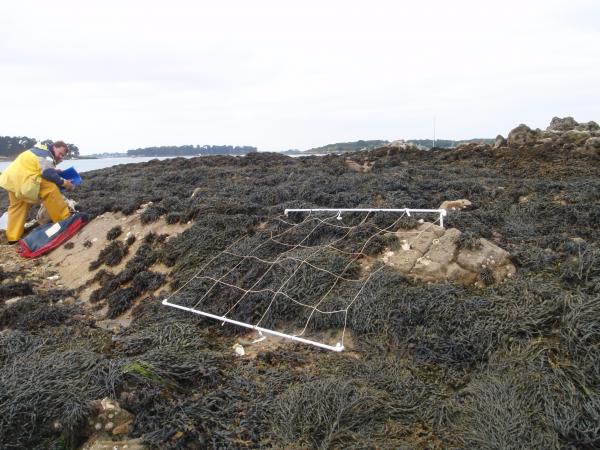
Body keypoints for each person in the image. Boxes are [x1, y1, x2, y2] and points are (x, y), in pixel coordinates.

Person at [0, 141, 74, 242]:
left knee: (17, 207)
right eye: (60, 153)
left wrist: (55, 171)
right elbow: (47, 173)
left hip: (12, 181)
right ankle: (65, 219)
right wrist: (65, 183)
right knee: (50, 189)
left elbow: (36, 166)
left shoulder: (38, 150)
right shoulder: (46, 155)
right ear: (54, 147)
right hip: (24, 181)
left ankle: (13, 238)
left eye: (63, 156)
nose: (60, 157)